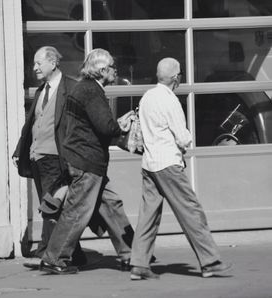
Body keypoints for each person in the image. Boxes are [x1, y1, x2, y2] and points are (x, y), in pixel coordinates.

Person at [130, 57, 233, 280]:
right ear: (176, 78)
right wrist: (187, 142)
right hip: (168, 163)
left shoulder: (147, 97)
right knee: (191, 211)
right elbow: (183, 137)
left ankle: (139, 263)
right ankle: (210, 261)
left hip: (149, 163)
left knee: (148, 215)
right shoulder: (170, 100)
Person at [39, 48, 137, 275]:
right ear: (102, 70)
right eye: (113, 67)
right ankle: (54, 258)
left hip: (85, 161)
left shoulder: (80, 88)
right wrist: (123, 124)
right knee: (77, 211)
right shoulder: (92, 91)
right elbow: (106, 127)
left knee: (112, 205)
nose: (115, 71)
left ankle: (131, 253)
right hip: (87, 162)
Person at [12, 46, 86, 269]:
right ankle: (70, 254)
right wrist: (20, 151)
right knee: (53, 208)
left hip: (56, 158)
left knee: (52, 208)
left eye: (38, 63)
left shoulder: (71, 87)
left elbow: (77, 125)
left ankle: (55, 254)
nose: (34, 68)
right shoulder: (40, 91)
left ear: (53, 63)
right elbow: (32, 124)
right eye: (34, 64)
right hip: (38, 157)